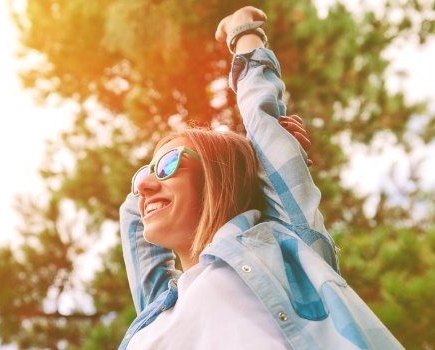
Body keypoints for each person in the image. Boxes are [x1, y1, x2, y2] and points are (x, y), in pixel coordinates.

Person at [118, 6, 402, 350]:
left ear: (220, 179)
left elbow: (261, 116)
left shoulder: (283, 252)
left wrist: (243, 34)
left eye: (168, 166)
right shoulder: (159, 307)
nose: (146, 186)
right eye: (144, 177)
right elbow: (134, 212)